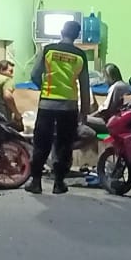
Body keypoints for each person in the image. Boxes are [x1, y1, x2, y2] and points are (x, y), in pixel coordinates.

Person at [25, 20, 91, 194]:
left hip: (47, 104)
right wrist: (84, 113)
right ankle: (59, 183)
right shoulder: (80, 56)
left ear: (62, 31)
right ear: (77, 36)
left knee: (42, 142)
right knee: (64, 144)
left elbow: (34, 74)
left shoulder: (48, 50)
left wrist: (44, 87)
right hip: (69, 107)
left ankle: (36, 182)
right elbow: (85, 86)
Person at [0, 60, 24, 131]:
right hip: (2, 118)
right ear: (1, 69)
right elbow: (7, 96)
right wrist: (17, 114)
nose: (12, 75)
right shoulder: (7, 80)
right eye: (10, 71)